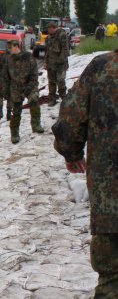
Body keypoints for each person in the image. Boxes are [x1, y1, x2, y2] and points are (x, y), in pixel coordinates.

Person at [51, 49, 117, 298]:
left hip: (111, 199)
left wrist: (72, 153)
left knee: (112, 279)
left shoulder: (101, 68)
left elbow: (70, 119)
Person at [4, 39, 43, 144]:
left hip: (30, 85)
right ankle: (14, 134)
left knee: (34, 99)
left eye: (10, 48)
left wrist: (29, 88)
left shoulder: (28, 57)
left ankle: (36, 124)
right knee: (16, 111)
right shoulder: (8, 59)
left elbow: (34, 75)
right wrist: (5, 92)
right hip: (15, 87)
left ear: (17, 46)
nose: (9, 50)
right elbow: (6, 77)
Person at [45, 22, 69, 107]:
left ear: (53, 28)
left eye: (48, 29)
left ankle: (64, 98)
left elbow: (65, 50)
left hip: (60, 64)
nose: (48, 30)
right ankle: (52, 99)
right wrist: (46, 62)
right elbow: (47, 51)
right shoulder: (48, 38)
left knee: (60, 81)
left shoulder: (62, 35)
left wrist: (60, 61)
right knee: (51, 82)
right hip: (51, 64)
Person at [0, 50, 11, 121]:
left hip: (1, 79)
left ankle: (0, 112)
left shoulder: (1, 56)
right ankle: (9, 114)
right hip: (10, 80)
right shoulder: (14, 57)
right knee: (10, 97)